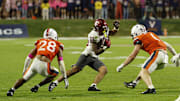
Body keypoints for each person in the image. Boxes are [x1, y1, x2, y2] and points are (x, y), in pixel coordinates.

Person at [48, 19, 120, 92]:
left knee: (103, 70)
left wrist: (116, 28)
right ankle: (55, 82)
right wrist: (105, 47)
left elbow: (110, 33)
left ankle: (93, 86)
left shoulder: (104, 29)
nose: (103, 29)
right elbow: (96, 51)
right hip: (87, 55)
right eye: (101, 28)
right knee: (74, 70)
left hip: (93, 56)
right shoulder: (93, 35)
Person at [116, 24, 177, 94]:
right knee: (144, 69)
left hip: (157, 53)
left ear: (136, 32)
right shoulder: (151, 34)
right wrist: (175, 55)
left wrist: (122, 65)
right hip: (164, 57)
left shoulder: (140, 38)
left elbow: (133, 55)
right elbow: (168, 45)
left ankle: (151, 88)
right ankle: (134, 82)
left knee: (145, 70)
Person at [7, 28, 69, 96]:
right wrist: (65, 77)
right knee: (56, 72)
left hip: (35, 63)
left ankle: (12, 90)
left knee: (24, 79)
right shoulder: (58, 45)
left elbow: (29, 57)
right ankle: (38, 86)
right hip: (44, 66)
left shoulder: (40, 42)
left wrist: (25, 70)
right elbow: (61, 63)